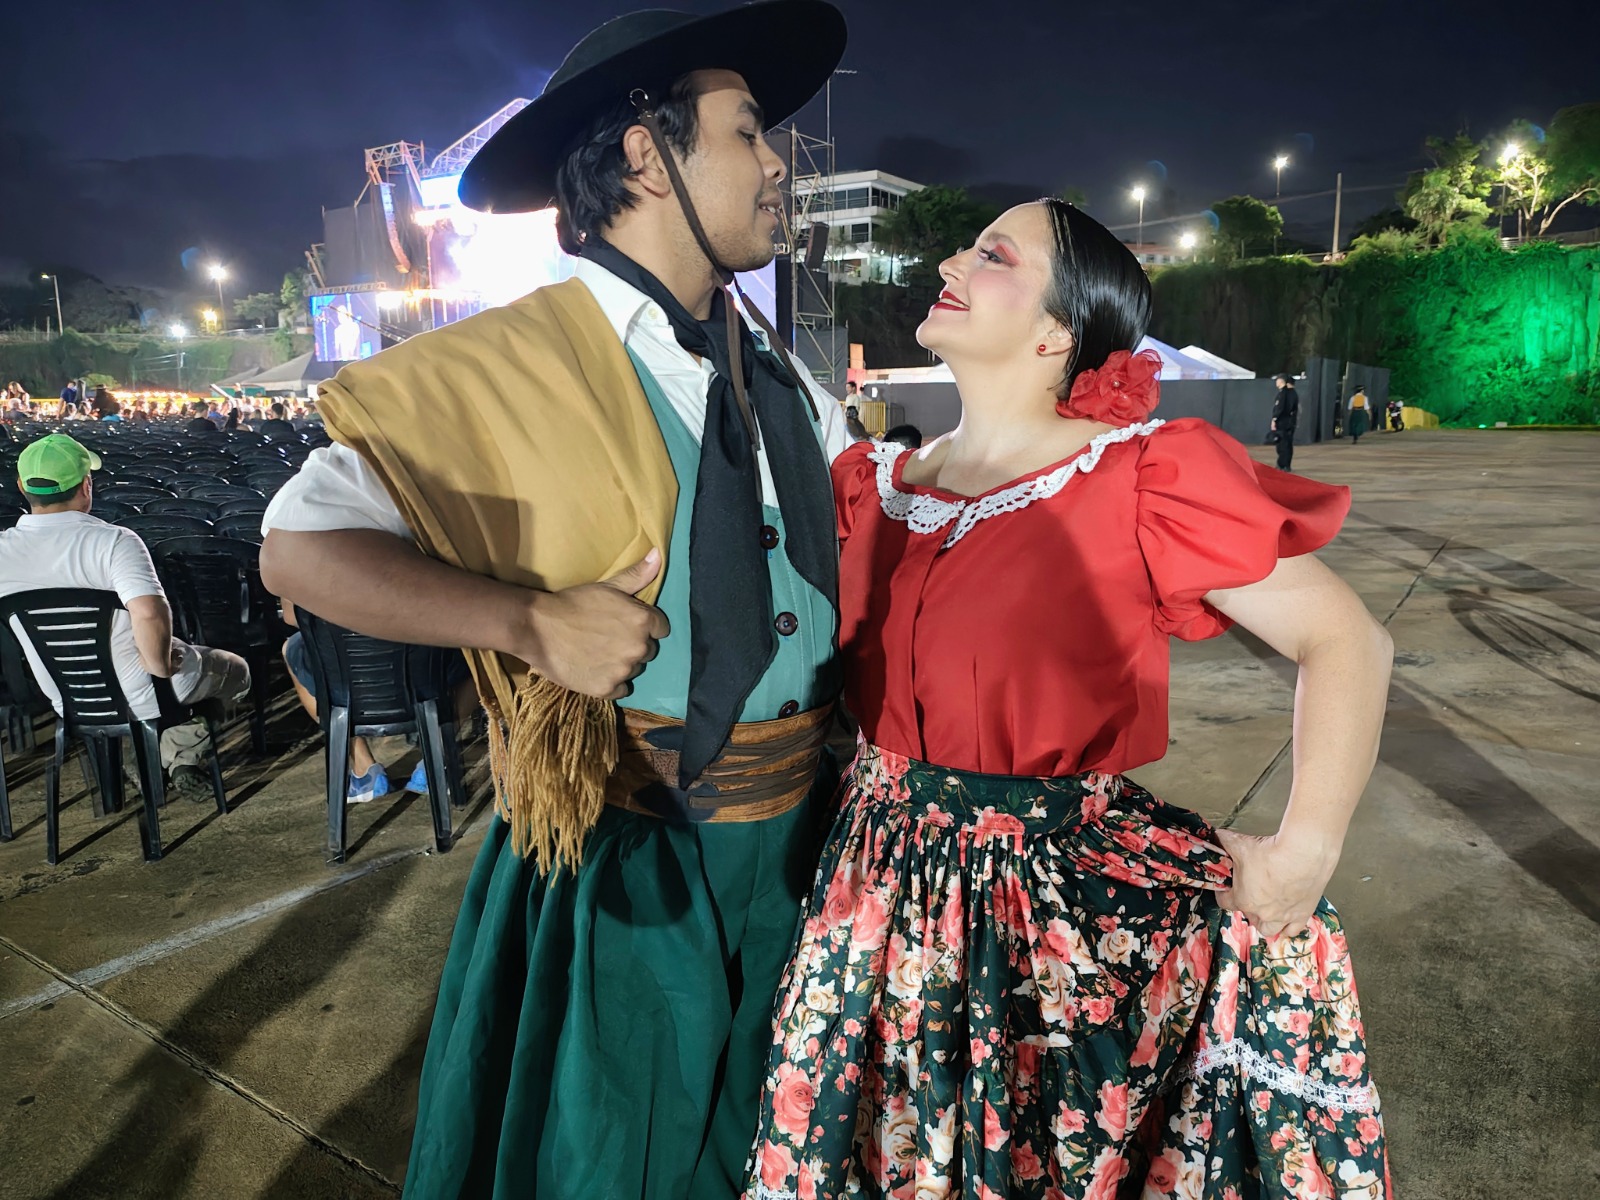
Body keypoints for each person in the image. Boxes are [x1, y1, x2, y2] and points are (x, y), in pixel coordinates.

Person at [258, 4, 850, 1196]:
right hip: (633, 855)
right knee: (619, 1161)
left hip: (802, 853)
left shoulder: (780, 368)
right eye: (747, 132)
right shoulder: (501, 365)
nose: (778, 162)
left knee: (769, 1158)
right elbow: (297, 547)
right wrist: (524, 622)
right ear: (648, 155)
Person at [746, 200, 1394, 1199]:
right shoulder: (869, 484)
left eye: (992, 255)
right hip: (871, 887)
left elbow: (1346, 638)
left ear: (1057, 332)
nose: (951, 262)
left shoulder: (1136, 479)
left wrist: (1305, 851)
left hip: (1048, 910)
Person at [0, 435, 252, 794]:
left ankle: (147, 750)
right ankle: (177, 750)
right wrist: (160, 666)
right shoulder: (115, 541)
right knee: (238, 672)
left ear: (22, 486)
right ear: (86, 486)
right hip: (144, 691)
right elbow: (149, 613)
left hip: (65, 697)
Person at [1271, 371, 1299, 471]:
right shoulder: (1291, 393)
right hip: (1289, 422)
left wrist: (1275, 419)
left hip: (1283, 422)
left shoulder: (1284, 393)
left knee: (1283, 444)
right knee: (1287, 444)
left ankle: (1282, 464)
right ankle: (1286, 465)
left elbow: (1280, 407)